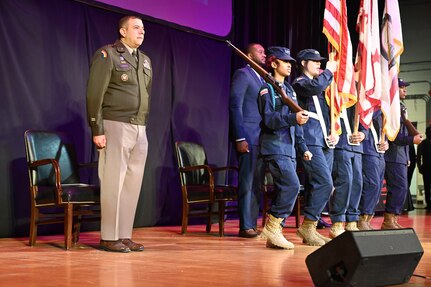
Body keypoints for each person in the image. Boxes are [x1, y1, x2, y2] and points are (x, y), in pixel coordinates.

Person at [86, 15, 152, 252]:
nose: (141, 31)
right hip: (115, 125)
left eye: (143, 28)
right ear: (123, 32)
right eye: (136, 27)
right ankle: (108, 236)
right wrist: (97, 129)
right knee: (114, 182)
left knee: (132, 185)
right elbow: (95, 95)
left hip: (139, 128)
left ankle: (123, 235)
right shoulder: (108, 55)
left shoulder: (144, 60)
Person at [258, 46, 311, 249]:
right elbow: (270, 120)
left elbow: (297, 124)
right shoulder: (267, 89)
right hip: (274, 147)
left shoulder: (289, 90)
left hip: (288, 148)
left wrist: (303, 146)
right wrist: (293, 117)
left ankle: (275, 233)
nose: (289, 65)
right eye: (284, 61)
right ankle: (272, 226)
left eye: (290, 62)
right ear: (273, 63)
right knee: (291, 185)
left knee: (287, 187)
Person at [293, 49, 338, 246]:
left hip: (323, 139)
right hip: (309, 139)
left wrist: (332, 131)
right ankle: (308, 224)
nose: (319, 64)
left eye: (320, 62)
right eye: (314, 61)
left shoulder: (318, 86)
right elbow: (314, 87)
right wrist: (329, 72)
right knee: (325, 183)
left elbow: (324, 112)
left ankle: (311, 226)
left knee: (318, 185)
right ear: (303, 63)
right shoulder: (300, 83)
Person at [229, 43, 267, 238]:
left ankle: (252, 223)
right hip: (248, 136)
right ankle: (245, 226)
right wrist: (240, 137)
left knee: (257, 183)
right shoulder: (243, 74)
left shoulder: (262, 78)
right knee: (247, 181)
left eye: (264, 52)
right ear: (248, 55)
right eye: (259, 51)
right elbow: (235, 106)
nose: (264, 54)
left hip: (261, 138)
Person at [382, 79, 423, 229]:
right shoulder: (392, 109)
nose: (404, 90)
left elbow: (403, 131)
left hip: (400, 156)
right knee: (398, 187)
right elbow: (394, 136)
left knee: (402, 188)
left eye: (405, 87)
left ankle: (392, 219)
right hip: (392, 155)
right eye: (401, 87)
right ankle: (388, 220)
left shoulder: (401, 107)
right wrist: (412, 139)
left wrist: (406, 156)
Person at [329, 107, 366, 238]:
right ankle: (338, 221)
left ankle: (352, 220)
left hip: (356, 146)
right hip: (341, 144)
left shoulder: (356, 99)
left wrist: (363, 133)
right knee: (345, 182)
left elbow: (365, 115)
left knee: (357, 183)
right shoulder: (336, 93)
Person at [358, 110, 388, 230]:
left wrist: (385, 142)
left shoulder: (382, 112)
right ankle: (362, 217)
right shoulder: (371, 105)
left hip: (379, 151)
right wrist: (381, 107)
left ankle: (368, 217)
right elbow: (367, 116)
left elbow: (382, 128)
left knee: (378, 186)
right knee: (372, 184)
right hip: (368, 149)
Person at [417, 126, 431, 210]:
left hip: (426, 168)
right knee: (427, 186)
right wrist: (419, 167)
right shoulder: (422, 143)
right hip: (426, 168)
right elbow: (418, 156)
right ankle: (428, 203)